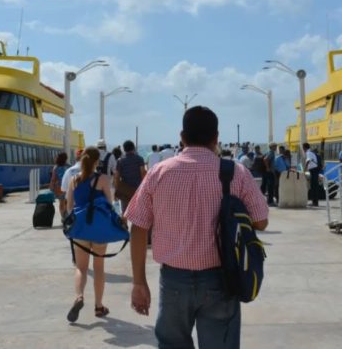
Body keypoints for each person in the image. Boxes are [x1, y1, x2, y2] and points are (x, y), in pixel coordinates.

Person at [125, 106, 269, 348]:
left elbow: (138, 226)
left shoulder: (158, 173)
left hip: (173, 280)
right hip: (221, 279)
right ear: (216, 138)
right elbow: (261, 221)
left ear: (182, 137)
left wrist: (139, 282)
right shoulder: (236, 173)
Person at [65, 147, 114, 322]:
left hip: (80, 229)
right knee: (99, 267)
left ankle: (79, 297)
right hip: (99, 229)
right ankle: (99, 307)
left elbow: (70, 206)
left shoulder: (73, 180)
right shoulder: (103, 179)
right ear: (96, 162)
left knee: (81, 268)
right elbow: (110, 203)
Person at [114, 140, 147, 207]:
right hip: (138, 189)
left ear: (124, 149)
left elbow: (117, 177)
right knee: (138, 211)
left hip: (125, 190)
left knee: (125, 212)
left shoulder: (120, 161)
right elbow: (143, 173)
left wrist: (117, 189)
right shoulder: (139, 159)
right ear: (133, 148)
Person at [303, 142, 321, 207]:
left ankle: (315, 202)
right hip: (314, 170)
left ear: (304, 148)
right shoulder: (311, 152)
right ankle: (315, 202)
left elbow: (308, 161)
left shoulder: (308, 153)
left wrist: (304, 170)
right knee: (314, 186)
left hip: (314, 171)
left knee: (314, 186)